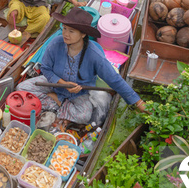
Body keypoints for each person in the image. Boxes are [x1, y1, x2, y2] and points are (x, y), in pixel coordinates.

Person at [17, 7, 146, 127]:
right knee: (21, 88)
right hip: (54, 84)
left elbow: (114, 79)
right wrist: (63, 83)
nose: (66, 34)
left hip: (79, 93)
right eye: (65, 28)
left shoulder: (94, 54)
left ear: (83, 34)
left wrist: (138, 102)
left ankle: (57, 104)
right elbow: (45, 68)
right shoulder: (56, 43)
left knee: (84, 116)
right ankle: (59, 104)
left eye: (71, 31)